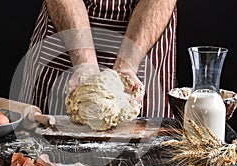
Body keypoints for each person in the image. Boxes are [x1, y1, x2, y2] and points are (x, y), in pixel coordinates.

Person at [18, 0, 177, 118]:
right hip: (66, 39)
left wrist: (127, 66)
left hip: (146, 40)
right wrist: (84, 63)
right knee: (46, 148)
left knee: (145, 154)